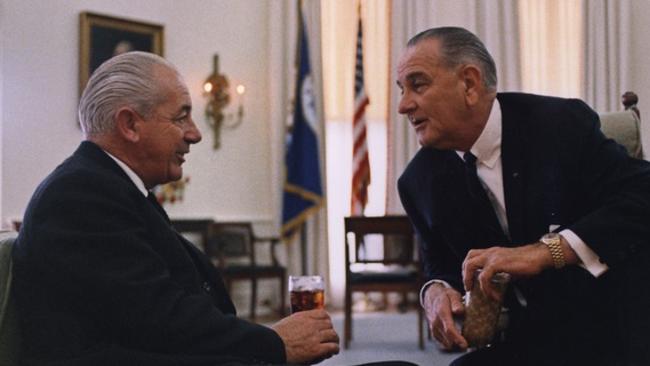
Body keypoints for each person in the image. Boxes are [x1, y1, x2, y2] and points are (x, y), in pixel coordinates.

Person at [12, 51, 339, 366]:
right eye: (181, 116)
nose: (194, 134)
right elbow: (157, 319)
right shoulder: (80, 194)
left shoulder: (111, 186)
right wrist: (275, 343)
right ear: (130, 125)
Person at [396, 27, 650, 366]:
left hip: (614, 322)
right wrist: (436, 291)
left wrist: (545, 253)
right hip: (530, 337)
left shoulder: (560, 126)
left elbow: (641, 196)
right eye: (402, 89)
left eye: (418, 84)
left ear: (469, 84)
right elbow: (437, 263)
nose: (403, 105)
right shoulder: (418, 181)